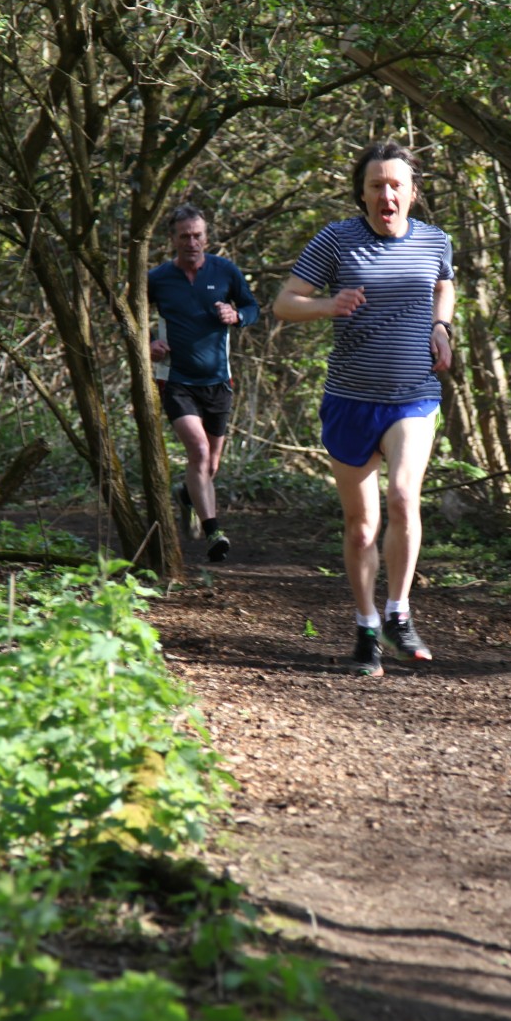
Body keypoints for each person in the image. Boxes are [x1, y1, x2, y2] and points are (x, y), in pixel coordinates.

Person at [275, 141, 454, 677]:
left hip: (413, 397)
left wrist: (441, 327)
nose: (386, 194)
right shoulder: (336, 240)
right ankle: (366, 626)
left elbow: (444, 285)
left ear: (412, 193)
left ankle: (399, 611)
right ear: (363, 193)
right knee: (360, 527)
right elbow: (285, 303)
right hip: (351, 400)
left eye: (396, 185)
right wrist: (328, 304)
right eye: (376, 185)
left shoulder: (434, 240)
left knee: (402, 496)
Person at [147, 203, 259, 562]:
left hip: (218, 381)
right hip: (176, 380)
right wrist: (149, 342)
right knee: (198, 451)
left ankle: (187, 494)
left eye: (197, 236)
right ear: (172, 239)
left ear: (206, 238)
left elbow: (253, 308)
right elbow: (128, 314)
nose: (191, 242)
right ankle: (214, 533)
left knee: (210, 466)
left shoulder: (225, 271)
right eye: (184, 236)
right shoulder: (157, 278)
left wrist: (237, 315)